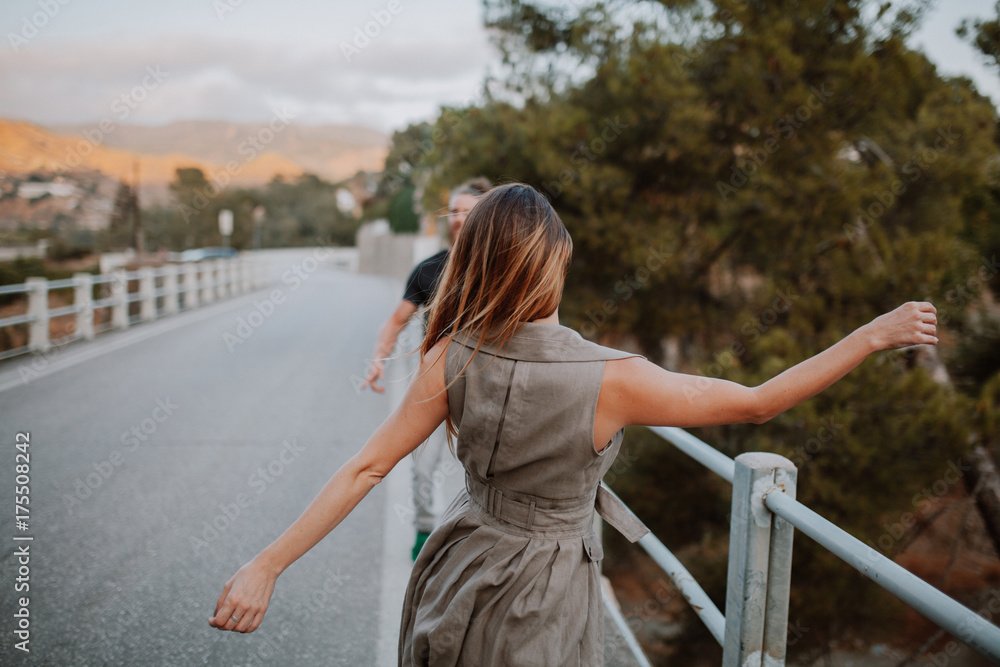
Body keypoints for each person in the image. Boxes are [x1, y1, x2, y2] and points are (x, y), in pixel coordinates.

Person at [209, 183, 938, 666]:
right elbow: (757, 401)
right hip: (545, 586)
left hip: (457, 561)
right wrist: (870, 335)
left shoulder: (451, 353)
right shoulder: (613, 377)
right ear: (552, 267)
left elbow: (366, 467)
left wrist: (266, 565)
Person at [361, 177, 491, 560]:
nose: (459, 218)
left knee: (487, 470)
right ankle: (423, 535)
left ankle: (483, 540)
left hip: (486, 387)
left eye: (470, 211)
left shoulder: (499, 270)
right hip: (434, 387)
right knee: (423, 469)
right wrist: (377, 359)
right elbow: (396, 321)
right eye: (455, 210)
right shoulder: (428, 270)